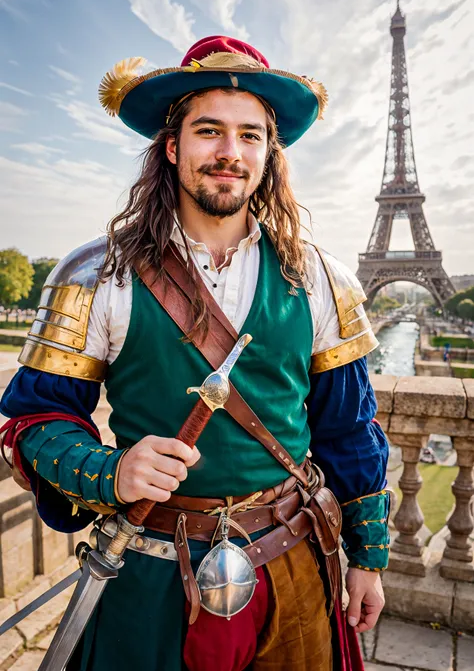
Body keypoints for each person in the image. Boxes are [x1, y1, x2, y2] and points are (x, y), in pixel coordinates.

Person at [0, 36, 389, 671]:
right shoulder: (95, 276)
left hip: (293, 565)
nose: (230, 153)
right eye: (209, 131)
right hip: (151, 571)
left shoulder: (322, 279)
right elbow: (29, 422)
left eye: (250, 135)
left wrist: (368, 560)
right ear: (173, 146)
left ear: (269, 154)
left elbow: (350, 430)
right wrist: (111, 471)